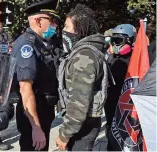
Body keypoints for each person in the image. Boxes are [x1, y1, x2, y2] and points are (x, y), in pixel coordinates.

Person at [56, 4, 110, 151]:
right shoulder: (85, 52)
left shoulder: (84, 57)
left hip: (82, 127)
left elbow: (79, 103)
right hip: (84, 124)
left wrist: (64, 134)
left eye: (67, 27)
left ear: (79, 30)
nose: (63, 31)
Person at [11, 0, 60, 151]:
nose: (55, 25)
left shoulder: (42, 43)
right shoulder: (27, 45)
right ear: (38, 21)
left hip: (43, 109)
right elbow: (25, 89)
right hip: (33, 113)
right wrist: (36, 128)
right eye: (51, 21)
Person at [104, 24, 137, 151]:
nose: (116, 45)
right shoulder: (109, 56)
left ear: (130, 40)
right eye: (114, 41)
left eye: (119, 41)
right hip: (111, 99)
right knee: (110, 126)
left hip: (126, 101)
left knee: (125, 128)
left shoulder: (135, 59)